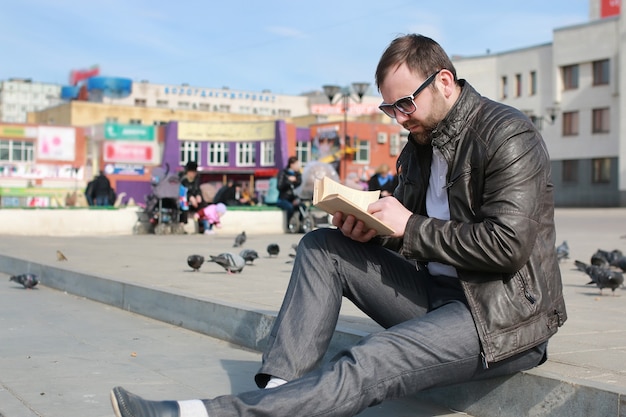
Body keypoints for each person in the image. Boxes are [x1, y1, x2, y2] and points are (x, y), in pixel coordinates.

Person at [109, 34, 567, 417]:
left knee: (371, 357)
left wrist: (406, 226)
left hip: (499, 317)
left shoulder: (508, 134)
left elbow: (508, 244)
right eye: (391, 110)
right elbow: (407, 228)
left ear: (444, 82)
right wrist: (371, 226)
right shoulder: (420, 144)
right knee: (321, 247)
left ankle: (204, 414)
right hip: (436, 296)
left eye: (405, 103)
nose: (400, 119)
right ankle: (278, 396)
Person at [275, 156, 302, 230]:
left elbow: (299, 182)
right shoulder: (283, 173)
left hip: (293, 198)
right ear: (292, 164)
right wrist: (289, 181)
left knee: (302, 207)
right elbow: (279, 186)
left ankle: (301, 224)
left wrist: (295, 180)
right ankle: (289, 225)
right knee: (290, 207)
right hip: (283, 198)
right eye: (297, 164)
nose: (298, 166)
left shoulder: (297, 174)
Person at [178, 161, 204, 225]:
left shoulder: (196, 179)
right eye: (192, 172)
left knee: (203, 204)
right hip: (183, 199)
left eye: (195, 172)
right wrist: (190, 197)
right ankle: (183, 223)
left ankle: (202, 224)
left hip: (194, 200)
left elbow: (197, 189)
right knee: (184, 205)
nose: (194, 174)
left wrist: (198, 195)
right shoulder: (183, 180)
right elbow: (182, 192)